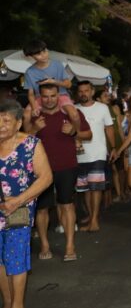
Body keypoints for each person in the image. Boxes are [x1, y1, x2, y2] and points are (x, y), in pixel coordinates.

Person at [24, 84, 91, 262]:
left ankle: (70, 245)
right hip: (40, 169)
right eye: (45, 96)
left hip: (66, 166)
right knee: (42, 209)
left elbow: (89, 134)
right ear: (40, 96)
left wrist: (74, 132)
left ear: (58, 95)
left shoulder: (71, 113)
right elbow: (21, 139)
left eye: (53, 96)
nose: (49, 100)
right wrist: (33, 130)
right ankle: (45, 245)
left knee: (67, 205)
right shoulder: (34, 115)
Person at [0, 100, 53, 308]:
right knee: (0, 259)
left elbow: (46, 177)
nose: (1, 125)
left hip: (19, 210)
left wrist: (18, 201)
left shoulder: (31, 145)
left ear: (18, 122)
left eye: (6, 121)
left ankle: (17, 304)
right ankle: (7, 300)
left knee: (15, 258)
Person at [75, 81, 115, 231]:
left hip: (98, 153)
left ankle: (94, 220)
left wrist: (114, 148)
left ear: (92, 92)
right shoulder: (73, 109)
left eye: (86, 90)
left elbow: (109, 128)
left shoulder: (102, 108)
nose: (83, 94)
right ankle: (91, 218)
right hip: (80, 155)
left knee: (96, 188)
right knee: (85, 189)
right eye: (80, 91)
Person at [21, 40, 81, 133]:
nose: (44, 55)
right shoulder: (30, 72)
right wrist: (34, 106)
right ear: (31, 56)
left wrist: (53, 81)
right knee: (26, 115)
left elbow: (68, 84)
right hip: (39, 97)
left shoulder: (57, 65)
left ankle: (77, 137)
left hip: (61, 94)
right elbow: (31, 94)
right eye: (39, 54)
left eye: (45, 51)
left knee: (74, 115)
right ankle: (28, 140)